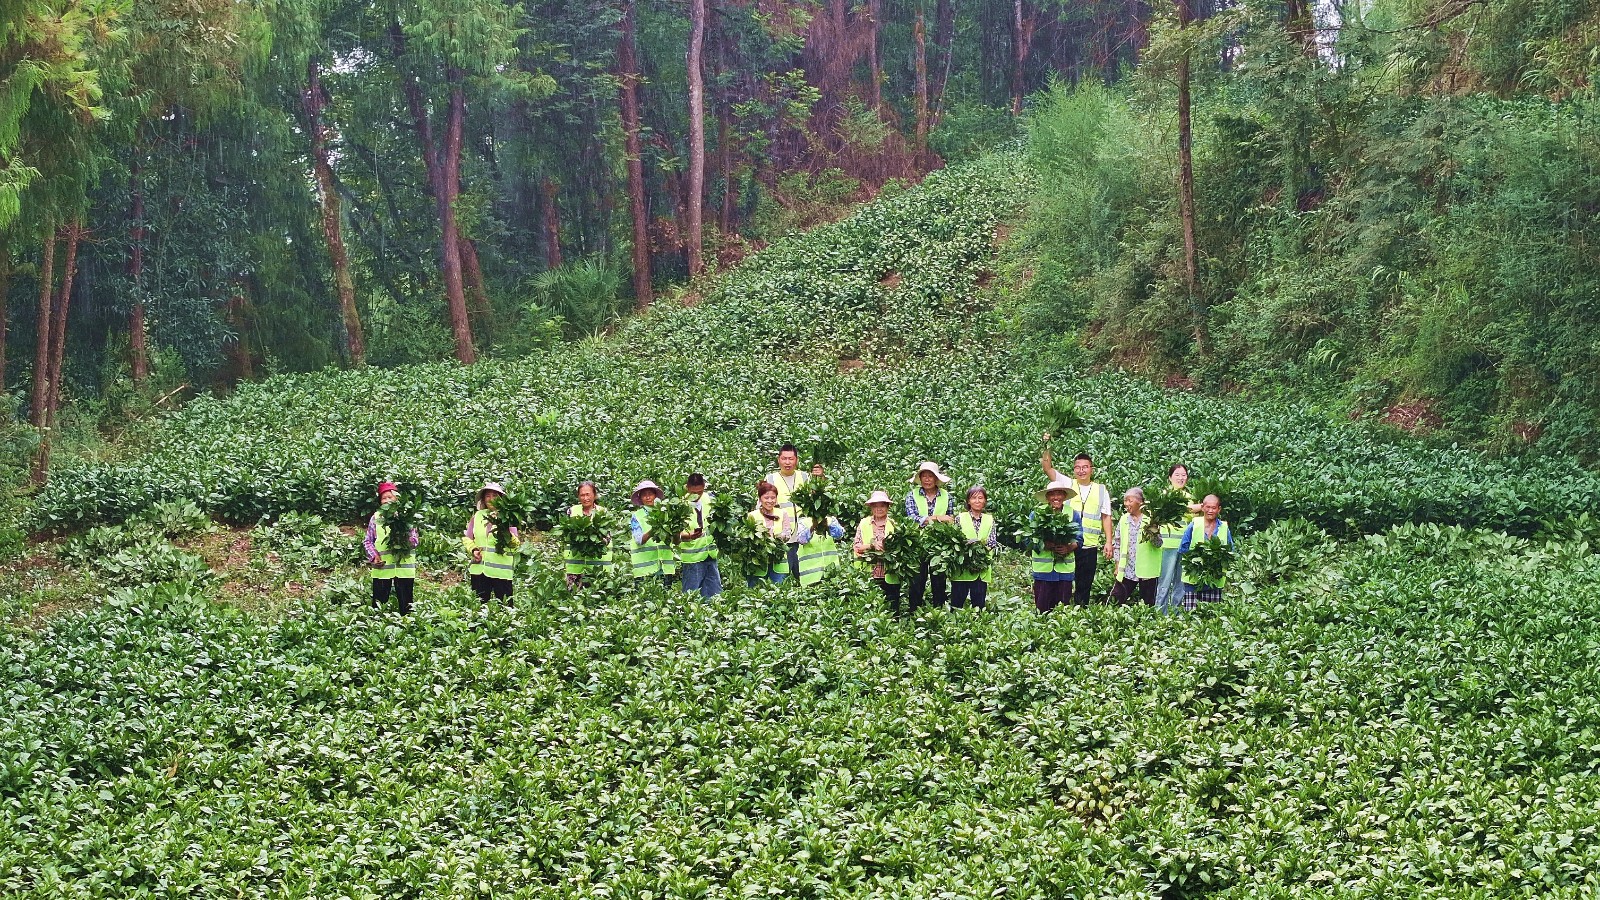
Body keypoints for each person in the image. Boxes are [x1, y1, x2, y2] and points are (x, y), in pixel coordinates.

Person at [1043, 440, 1114, 606]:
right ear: (1074, 469)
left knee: (1084, 584)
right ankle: (1061, 610)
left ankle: (1081, 612)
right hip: (1067, 543)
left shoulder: (1101, 489)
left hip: (1089, 545)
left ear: (1091, 469)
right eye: (1078, 467)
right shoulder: (1067, 484)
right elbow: (1047, 468)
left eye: (1085, 467)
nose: (1081, 471)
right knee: (1063, 581)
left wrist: (1108, 542)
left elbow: (1106, 516)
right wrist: (1046, 446)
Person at [904, 461, 956, 612]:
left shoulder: (947, 496)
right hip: (917, 543)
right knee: (917, 581)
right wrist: (938, 518)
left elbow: (951, 519)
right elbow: (912, 519)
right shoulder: (912, 495)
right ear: (920, 478)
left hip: (939, 545)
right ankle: (914, 613)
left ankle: (938, 613)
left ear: (936, 478)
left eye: (930, 476)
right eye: (924, 476)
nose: (927, 479)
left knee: (939, 581)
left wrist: (928, 519)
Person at [365, 481, 418, 614]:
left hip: (404, 569)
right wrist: (374, 556)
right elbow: (368, 541)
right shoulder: (376, 518)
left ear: (397, 499)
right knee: (378, 604)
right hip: (383, 567)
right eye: (384, 498)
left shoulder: (406, 517)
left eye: (390, 497)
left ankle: (407, 623)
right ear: (380, 502)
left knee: (406, 605)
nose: (387, 500)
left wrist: (404, 540)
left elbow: (415, 540)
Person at [1030, 477, 1082, 613]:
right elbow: (1028, 540)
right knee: (1042, 610)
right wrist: (1044, 544)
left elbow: (1079, 539)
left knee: (1062, 611)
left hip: (1064, 572)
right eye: (1052, 494)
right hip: (1043, 571)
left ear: (1064, 496)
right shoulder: (1036, 514)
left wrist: (1068, 548)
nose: (1056, 497)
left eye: (1059, 494)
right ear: (1047, 497)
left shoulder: (1073, 514)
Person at [1155, 463, 1202, 614]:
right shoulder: (1165, 495)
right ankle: (1160, 613)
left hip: (1184, 545)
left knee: (1180, 582)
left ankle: (1177, 614)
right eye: (1177, 475)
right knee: (1164, 581)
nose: (1181, 478)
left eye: (1183, 475)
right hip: (1167, 545)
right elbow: (1183, 509)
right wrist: (1202, 506)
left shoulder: (1189, 497)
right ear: (1170, 478)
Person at [765, 444, 818, 576]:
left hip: (804, 536)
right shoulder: (771, 479)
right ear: (778, 460)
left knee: (805, 576)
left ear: (797, 460)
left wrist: (820, 479)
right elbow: (762, 507)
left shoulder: (805, 477)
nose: (787, 462)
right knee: (782, 576)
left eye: (791, 459)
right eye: (784, 458)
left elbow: (817, 500)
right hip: (782, 538)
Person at [463, 482, 518, 602]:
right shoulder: (478, 516)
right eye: (488, 496)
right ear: (483, 499)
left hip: (501, 572)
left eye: (494, 496)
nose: (491, 499)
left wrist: (506, 533)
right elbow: (467, 538)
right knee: (479, 605)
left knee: (505, 606)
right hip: (479, 570)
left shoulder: (507, 516)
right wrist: (474, 550)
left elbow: (515, 544)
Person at [1178, 494, 1234, 609]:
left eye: (1214, 508)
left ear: (1219, 509)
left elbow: (1231, 551)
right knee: (1191, 614)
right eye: (1208, 507)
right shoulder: (1194, 524)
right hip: (1193, 580)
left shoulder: (1224, 527)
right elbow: (1183, 548)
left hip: (1215, 581)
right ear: (1202, 507)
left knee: (1212, 615)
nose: (1210, 511)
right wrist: (1195, 562)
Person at [950, 486, 1000, 609]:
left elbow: (992, 542)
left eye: (980, 498)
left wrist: (979, 547)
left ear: (985, 501)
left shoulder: (990, 519)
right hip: (962, 569)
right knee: (956, 605)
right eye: (974, 498)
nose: (977, 501)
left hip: (981, 570)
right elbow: (955, 540)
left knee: (978, 606)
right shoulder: (960, 518)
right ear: (968, 501)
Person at [1110, 486, 1162, 606]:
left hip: (1147, 571)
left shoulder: (1152, 519)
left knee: (1148, 605)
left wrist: (1153, 533)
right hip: (1127, 569)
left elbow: (1159, 544)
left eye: (1130, 500)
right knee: (1115, 601)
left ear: (1141, 502)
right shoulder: (1124, 519)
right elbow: (1117, 543)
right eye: (1125, 500)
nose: (1126, 504)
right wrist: (1117, 566)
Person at [853, 491, 901, 613]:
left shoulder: (894, 524)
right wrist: (871, 546)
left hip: (890, 573)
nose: (879, 509)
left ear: (887, 507)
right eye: (875, 506)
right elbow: (857, 547)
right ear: (871, 507)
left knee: (892, 608)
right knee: (870, 609)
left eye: (882, 505)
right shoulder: (864, 523)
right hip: (869, 573)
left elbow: (901, 548)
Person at [678, 473, 723, 598]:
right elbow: (675, 533)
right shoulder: (680, 505)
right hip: (692, 558)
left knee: (715, 595)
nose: (697, 496)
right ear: (687, 488)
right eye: (693, 492)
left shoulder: (711, 499)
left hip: (710, 554)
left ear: (704, 487)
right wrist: (688, 536)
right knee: (691, 596)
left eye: (700, 492)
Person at [563, 481, 613, 590]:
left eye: (588, 494)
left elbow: (608, 537)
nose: (585, 498)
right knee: (574, 597)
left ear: (594, 495)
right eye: (582, 495)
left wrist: (596, 540)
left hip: (598, 568)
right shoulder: (572, 511)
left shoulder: (603, 512)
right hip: (575, 569)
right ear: (578, 497)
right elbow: (567, 534)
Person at [628, 480, 677, 585]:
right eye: (644, 495)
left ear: (655, 496)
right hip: (644, 570)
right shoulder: (637, 516)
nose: (648, 497)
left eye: (650, 494)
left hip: (665, 567)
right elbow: (639, 540)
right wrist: (654, 529)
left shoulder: (665, 513)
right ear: (640, 498)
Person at [747, 480, 795, 586]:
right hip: (758, 564)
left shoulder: (782, 513)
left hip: (778, 562)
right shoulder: (752, 515)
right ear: (760, 499)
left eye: (773, 498)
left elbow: (787, 533)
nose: (770, 501)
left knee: (779, 592)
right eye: (766, 498)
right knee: (756, 592)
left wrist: (777, 538)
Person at [794, 508, 846, 586]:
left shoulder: (830, 520)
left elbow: (839, 535)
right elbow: (801, 539)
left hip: (831, 574)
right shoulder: (803, 522)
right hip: (811, 577)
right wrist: (812, 527)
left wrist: (828, 526)